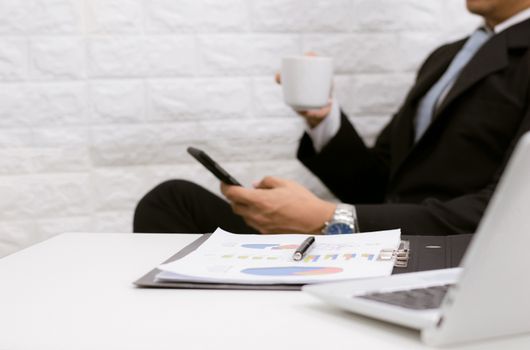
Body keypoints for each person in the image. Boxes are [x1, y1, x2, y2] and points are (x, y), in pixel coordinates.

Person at [133, 0, 530, 236]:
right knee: (172, 202)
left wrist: (330, 220)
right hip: (377, 236)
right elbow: (379, 185)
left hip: (442, 250)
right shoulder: (447, 57)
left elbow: (505, 213)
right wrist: (321, 118)